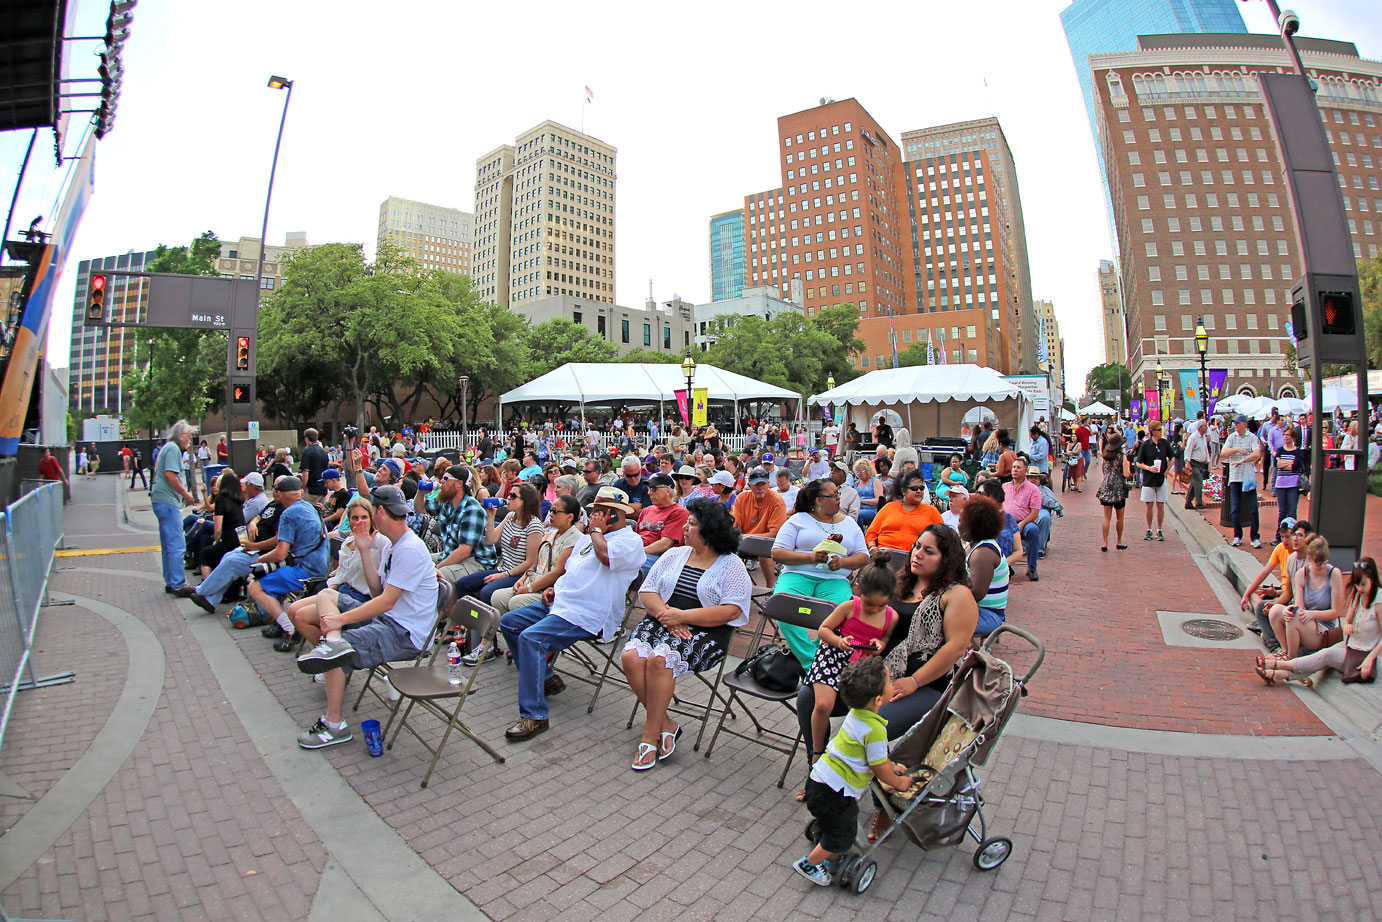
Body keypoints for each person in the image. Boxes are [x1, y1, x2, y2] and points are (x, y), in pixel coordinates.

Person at [293, 486, 438, 750]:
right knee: (326, 595)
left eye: (371, 512)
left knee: (336, 654)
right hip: (389, 620)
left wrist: (340, 620)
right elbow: (376, 592)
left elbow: (385, 602)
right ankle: (333, 644)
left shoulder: (409, 549)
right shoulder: (393, 546)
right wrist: (363, 550)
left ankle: (334, 724)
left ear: (379, 512)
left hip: (404, 634)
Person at [499, 487, 644, 742]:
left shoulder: (629, 542)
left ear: (615, 515)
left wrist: (597, 532)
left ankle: (535, 716)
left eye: (600, 512)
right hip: (562, 603)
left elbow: (606, 558)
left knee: (531, 639)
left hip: (588, 613)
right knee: (509, 623)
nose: (594, 517)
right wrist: (555, 588)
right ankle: (543, 677)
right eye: (594, 512)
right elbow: (571, 571)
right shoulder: (589, 539)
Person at [623, 499, 752, 770]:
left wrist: (683, 617)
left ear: (709, 532)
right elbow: (648, 591)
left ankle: (649, 736)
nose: (684, 527)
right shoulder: (674, 555)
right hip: (663, 619)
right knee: (632, 657)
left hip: (707, 631)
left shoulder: (732, 565)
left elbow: (731, 611)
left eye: (692, 524)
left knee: (660, 660)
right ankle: (667, 723)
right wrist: (668, 617)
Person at [791, 656, 914, 888]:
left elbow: (872, 757)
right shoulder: (875, 730)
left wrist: (890, 765)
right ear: (878, 699)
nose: (893, 683)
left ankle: (832, 859)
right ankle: (810, 864)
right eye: (889, 682)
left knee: (835, 823)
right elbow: (878, 768)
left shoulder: (855, 715)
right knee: (842, 834)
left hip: (818, 782)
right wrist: (899, 783)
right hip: (836, 792)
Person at [802, 551, 900, 780]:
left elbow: (885, 639)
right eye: (869, 604)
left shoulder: (891, 617)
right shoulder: (849, 607)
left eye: (880, 605)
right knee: (824, 704)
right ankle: (817, 752)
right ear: (858, 591)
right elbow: (824, 629)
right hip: (833, 656)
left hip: (861, 665)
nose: (874, 610)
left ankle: (857, 760)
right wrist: (838, 641)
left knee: (866, 713)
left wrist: (880, 644)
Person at [771, 479, 870, 666]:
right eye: (833, 495)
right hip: (797, 575)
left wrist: (843, 562)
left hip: (834, 579)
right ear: (819, 500)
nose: (838, 498)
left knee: (844, 615)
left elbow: (863, 556)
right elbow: (777, 553)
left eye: (838, 494)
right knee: (784, 607)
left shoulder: (849, 523)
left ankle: (820, 657)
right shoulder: (798, 520)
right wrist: (810, 558)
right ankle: (813, 662)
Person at [1257, 557, 1382, 686]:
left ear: (1372, 580)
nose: (1360, 588)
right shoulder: (1358, 595)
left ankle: (1280, 665)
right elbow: (1347, 621)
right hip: (1350, 645)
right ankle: (1278, 675)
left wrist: (1370, 658)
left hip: (1365, 653)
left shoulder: (1379, 601)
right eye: (1357, 584)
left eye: (1363, 584)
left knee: (1327, 655)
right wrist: (1347, 626)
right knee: (1320, 657)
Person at [288, 496, 390, 647]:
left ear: (371, 519)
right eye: (355, 518)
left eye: (364, 517)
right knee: (292, 609)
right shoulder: (348, 542)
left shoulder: (380, 541)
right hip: (343, 590)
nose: (360, 522)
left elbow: (400, 555)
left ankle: (332, 654)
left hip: (361, 598)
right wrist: (325, 592)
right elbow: (341, 575)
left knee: (302, 616)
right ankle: (329, 651)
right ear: (349, 520)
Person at [245, 475, 331, 640]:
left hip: (305, 572)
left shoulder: (288, 514)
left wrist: (260, 560)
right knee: (273, 577)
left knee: (255, 587)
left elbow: (280, 553)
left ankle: (288, 627)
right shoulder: (310, 506)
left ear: (280, 494)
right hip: (320, 568)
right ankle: (279, 624)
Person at [451, 480, 545, 624]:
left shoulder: (534, 526)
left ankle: (487, 632)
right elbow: (491, 540)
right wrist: (490, 517)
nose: (508, 498)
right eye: (509, 494)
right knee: (463, 584)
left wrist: (503, 575)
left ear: (525, 501)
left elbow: (530, 562)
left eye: (513, 496)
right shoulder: (510, 518)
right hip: (503, 568)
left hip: (519, 575)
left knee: (487, 592)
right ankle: (470, 626)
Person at [490, 495, 584, 614]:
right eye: (550, 510)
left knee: (516, 602)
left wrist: (529, 588)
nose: (550, 514)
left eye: (555, 511)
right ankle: (505, 630)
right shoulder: (549, 534)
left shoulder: (575, 539)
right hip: (532, 580)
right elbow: (535, 564)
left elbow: (558, 572)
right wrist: (522, 580)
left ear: (570, 517)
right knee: (497, 597)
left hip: (548, 589)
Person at [1265, 535, 1343, 662]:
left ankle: (1291, 657)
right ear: (1310, 559)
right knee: (1277, 611)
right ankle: (1285, 650)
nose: (1322, 567)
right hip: (1305, 621)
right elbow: (1299, 607)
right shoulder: (1301, 574)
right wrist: (1288, 611)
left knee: (1294, 618)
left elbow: (1335, 612)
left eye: (1325, 562)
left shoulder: (1334, 574)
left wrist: (1312, 614)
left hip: (1323, 627)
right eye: (1318, 563)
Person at [1240, 518, 1307, 653]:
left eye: (1288, 536)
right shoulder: (1283, 551)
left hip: (1290, 597)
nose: (1285, 541)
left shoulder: (1299, 558)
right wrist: (1247, 593)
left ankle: (1273, 643)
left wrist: (1275, 595)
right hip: (1284, 592)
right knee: (1255, 594)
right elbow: (1265, 572)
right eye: (1282, 537)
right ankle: (1265, 625)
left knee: (1262, 606)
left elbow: (1293, 592)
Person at [152, 422, 197, 597]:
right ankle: (178, 583)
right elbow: (171, 475)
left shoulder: (166, 448)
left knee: (167, 544)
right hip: (168, 501)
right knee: (177, 544)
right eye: (188, 436)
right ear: (180, 435)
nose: (189, 440)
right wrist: (186, 494)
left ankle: (171, 581)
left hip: (160, 500)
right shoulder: (173, 449)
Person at [733, 468, 787, 589]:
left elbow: (775, 533)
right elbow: (735, 526)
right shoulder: (741, 498)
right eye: (757, 484)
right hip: (744, 542)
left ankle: (769, 589)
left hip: (767, 543)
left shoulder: (777, 500)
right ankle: (732, 587)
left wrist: (748, 537)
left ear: (768, 484)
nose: (760, 487)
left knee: (765, 550)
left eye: (763, 484)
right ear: (749, 485)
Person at [865, 469, 943, 553]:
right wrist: (872, 547)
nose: (919, 491)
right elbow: (871, 533)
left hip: (916, 558)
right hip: (883, 556)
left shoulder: (931, 511)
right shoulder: (889, 508)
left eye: (921, 488)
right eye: (914, 488)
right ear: (903, 491)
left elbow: (943, 539)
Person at [1002, 458, 1050, 581]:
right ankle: (1006, 565)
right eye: (1013, 467)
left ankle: (1032, 567)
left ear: (1025, 470)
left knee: (1033, 531)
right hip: (1007, 522)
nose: (1015, 470)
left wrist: (1021, 525)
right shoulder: (1005, 487)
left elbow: (1035, 513)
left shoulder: (1033, 489)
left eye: (1018, 467)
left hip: (1025, 522)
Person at [634, 473, 690, 576]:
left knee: (631, 564)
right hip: (640, 551)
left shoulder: (678, 512)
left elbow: (665, 544)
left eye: (653, 489)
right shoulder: (647, 511)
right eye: (649, 489)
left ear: (668, 491)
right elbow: (637, 537)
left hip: (661, 558)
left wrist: (636, 553)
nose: (649, 493)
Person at [1221, 414, 1263, 548]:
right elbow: (1224, 452)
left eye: (1238, 424)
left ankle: (1255, 536)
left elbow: (1257, 453)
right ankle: (1237, 535)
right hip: (1235, 477)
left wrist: (1244, 460)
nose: (1236, 426)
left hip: (1248, 476)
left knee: (1253, 508)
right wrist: (1238, 450)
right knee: (1235, 508)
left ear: (1244, 424)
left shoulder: (1252, 438)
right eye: (1235, 424)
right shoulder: (1232, 437)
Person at [1134, 420, 1173, 543]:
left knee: (1160, 504)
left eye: (1161, 429)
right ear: (1152, 432)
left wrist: (1166, 471)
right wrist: (1148, 468)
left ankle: (1159, 529)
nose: (1161, 432)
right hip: (1148, 478)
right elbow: (1138, 463)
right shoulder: (1146, 445)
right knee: (1149, 504)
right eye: (1158, 430)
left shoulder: (1164, 443)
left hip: (1160, 478)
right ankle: (1149, 528)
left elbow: (1172, 457)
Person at [1096, 431, 1132, 552]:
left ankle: (1105, 542)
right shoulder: (1122, 457)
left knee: (1107, 517)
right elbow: (1126, 474)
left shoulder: (1105, 457)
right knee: (1119, 517)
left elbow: (1104, 471)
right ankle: (1119, 541)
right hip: (1118, 488)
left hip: (1106, 487)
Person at [1272, 425, 1304, 537]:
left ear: (1293, 437)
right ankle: (1279, 535)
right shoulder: (1280, 450)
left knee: (1291, 512)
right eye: (1284, 435)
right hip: (1281, 484)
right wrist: (1288, 464)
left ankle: (1292, 535)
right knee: (1282, 511)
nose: (1285, 437)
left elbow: (1295, 466)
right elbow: (1277, 465)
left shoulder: (1297, 452)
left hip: (1293, 484)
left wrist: (1283, 464)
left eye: (1288, 435)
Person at [300, 428, 330, 506]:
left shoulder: (307, 452)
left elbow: (306, 473)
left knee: (309, 511)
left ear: (306, 438)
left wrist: (303, 488)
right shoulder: (323, 451)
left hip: (311, 489)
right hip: (322, 487)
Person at [1184, 419, 1210, 510]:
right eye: (1205, 426)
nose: (1207, 428)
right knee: (1198, 481)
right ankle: (1199, 502)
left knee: (1194, 483)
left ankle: (1188, 502)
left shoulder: (1203, 438)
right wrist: (1188, 462)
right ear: (1200, 427)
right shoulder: (1193, 437)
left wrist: (1207, 459)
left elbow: (1205, 449)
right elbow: (1188, 449)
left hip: (1200, 463)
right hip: (1193, 463)